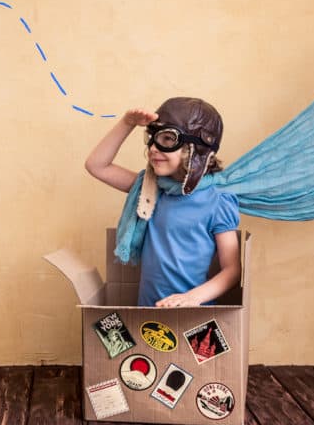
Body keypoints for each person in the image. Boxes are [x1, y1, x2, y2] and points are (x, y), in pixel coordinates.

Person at [85, 97, 241, 307]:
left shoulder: (218, 201)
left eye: (168, 139)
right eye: (152, 137)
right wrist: (127, 123)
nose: (153, 148)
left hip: (194, 316)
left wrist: (192, 298)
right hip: (149, 314)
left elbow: (232, 270)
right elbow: (97, 165)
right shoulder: (149, 188)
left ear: (196, 150)